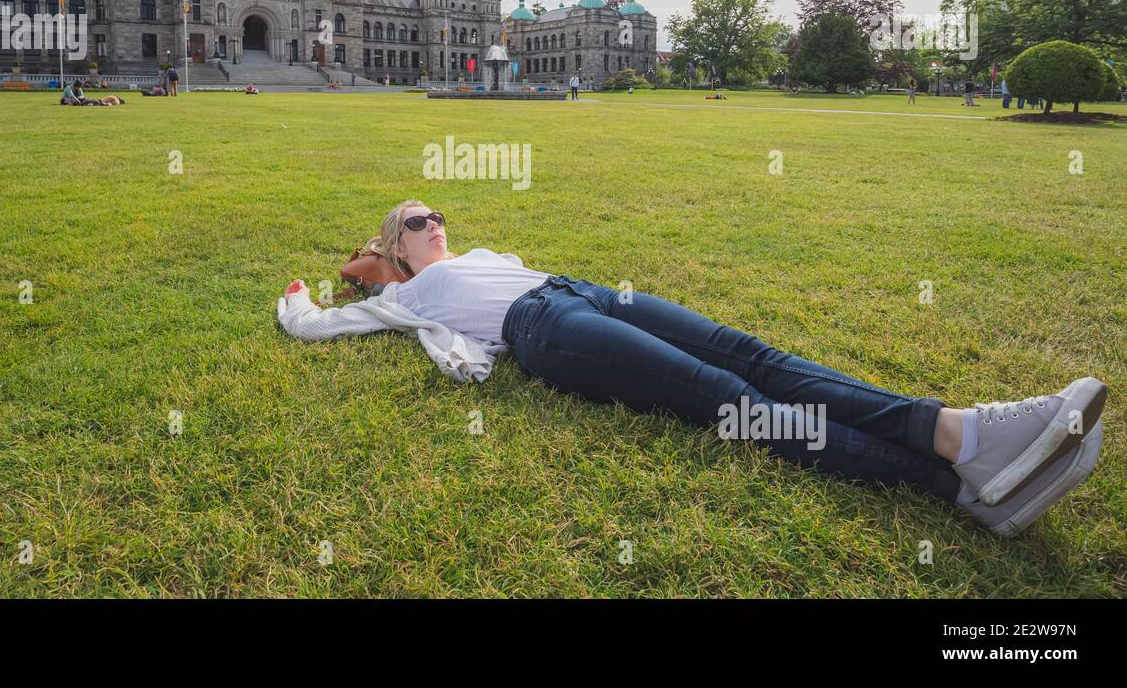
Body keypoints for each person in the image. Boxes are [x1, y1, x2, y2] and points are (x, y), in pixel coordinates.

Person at [278, 200, 1107, 538]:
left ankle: (958, 433)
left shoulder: (480, 253)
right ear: (397, 245)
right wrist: (313, 290)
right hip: (543, 329)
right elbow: (319, 321)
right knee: (731, 400)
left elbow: (465, 257)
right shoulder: (411, 297)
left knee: (755, 356)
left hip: (582, 291)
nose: (438, 223)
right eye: (421, 220)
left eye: (440, 215)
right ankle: (960, 484)